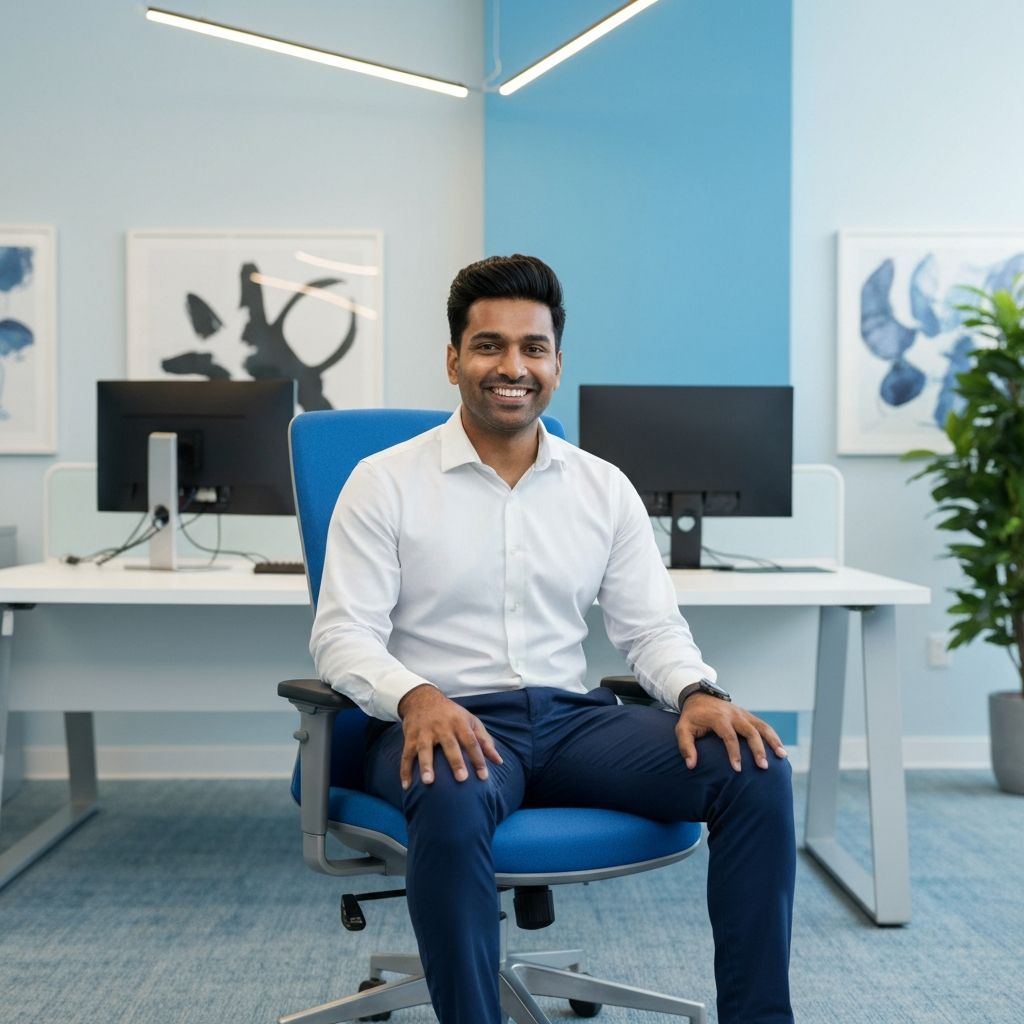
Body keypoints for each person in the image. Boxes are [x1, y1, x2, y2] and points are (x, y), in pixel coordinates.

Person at [311, 254, 796, 1024]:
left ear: (557, 364)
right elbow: (342, 634)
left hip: (570, 722)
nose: (513, 366)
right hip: (445, 718)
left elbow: (649, 626)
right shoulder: (386, 481)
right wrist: (417, 697)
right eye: (489, 345)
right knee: (452, 786)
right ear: (453, 360)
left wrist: (699, 693)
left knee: (755, 767)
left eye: (533, 348)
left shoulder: (602, 485)